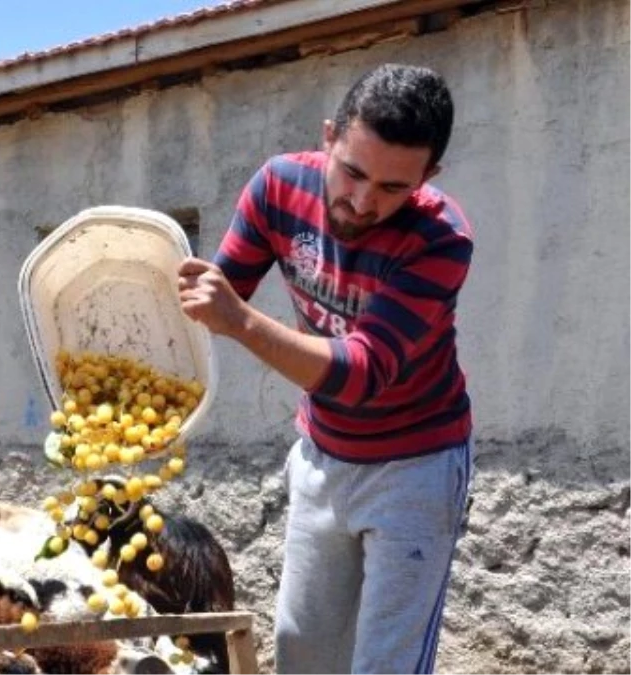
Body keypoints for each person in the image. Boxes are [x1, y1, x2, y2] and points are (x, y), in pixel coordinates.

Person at [176, 63, 475, 674]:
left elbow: (361, 373)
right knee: (302, 653)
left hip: (414, 469)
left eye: (393, 188)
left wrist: (242, 322)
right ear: (329, 136)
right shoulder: (278, 188)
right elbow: (219, 291)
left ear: (428, 179)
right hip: (322, 457)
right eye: (354, 171)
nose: (364, 201)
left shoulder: (441, 238)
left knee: (383, 666)